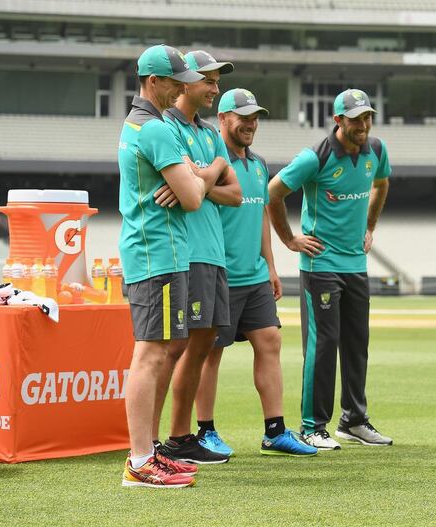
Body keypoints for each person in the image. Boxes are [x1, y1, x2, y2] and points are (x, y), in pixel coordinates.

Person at [194, 88, 317, 457]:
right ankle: (204, 432)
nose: (251, 123)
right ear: (223, 119)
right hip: (219, 274)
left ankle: (275, 431)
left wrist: (271, 267)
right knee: (208, 353)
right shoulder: (210, 161)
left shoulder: (259, 164)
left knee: (270, 342)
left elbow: (261, 215)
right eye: (243, 116)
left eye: (255, 117)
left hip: (254, 276)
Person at [267, 88, 392, 450]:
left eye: (368, 118)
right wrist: (290, 239)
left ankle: (354, 420)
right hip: (320, 263)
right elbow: (273, 192)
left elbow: (381, 184)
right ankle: (312, 425)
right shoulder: (315, 158)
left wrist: (370, 226)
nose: (363, 126)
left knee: (357, 343)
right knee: (324, 343)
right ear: (338, 121)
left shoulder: (377, 152)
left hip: (355, 262)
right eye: (355, 120)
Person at [118, 44, 217, 488]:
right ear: (153, 82)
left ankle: (148, 452)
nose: (182, 88)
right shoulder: (155, 130)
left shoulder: (140, 124)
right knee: (151, 354)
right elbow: (195, 198)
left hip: (161, 252)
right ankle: (140, 461)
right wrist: (193, 179)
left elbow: (195, 185)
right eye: (175, 82)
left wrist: (195, 175)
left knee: (159, 352)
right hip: (158, 253)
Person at [156, 50, 240, 464]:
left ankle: (179, 438)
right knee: (172, 347)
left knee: (201, 344)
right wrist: (214, 171)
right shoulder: (165, 127)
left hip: (213, 253)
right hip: (184, 252)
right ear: (186, 81)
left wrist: (204, 174)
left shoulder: (209, 135)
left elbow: (236, 194)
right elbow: (195, 184)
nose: (215, 88)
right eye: (209, 80)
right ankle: (150, 442)